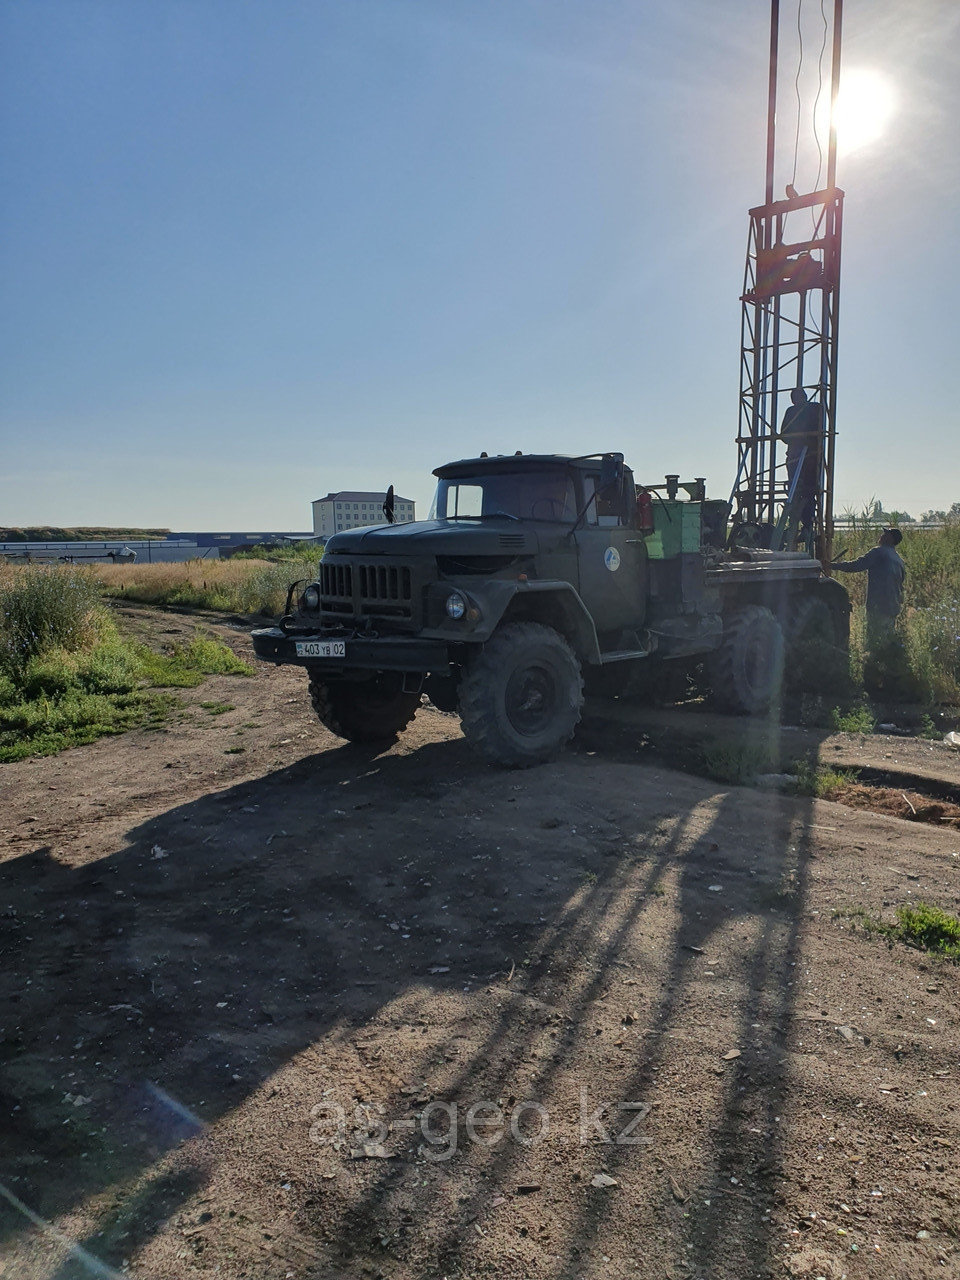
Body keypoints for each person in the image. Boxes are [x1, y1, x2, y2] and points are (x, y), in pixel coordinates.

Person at [832, 528, 907, 631]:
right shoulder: (899, 560)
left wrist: (832, 566)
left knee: (874, 636)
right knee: (888, 637)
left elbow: (856, 565)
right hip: (893, 606)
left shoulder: (878, 552)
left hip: (878, 606)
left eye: (885, 534)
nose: (881, 535)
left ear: (890, 538)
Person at [779, 387, 823, 543]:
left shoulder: (815, 408)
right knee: (796, 490)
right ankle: (796, 524)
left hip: (809, 455)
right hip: (796, 454)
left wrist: (805, 438)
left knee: (808, 490)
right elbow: (783, 434)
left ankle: (807, 524)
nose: (796, 400)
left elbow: (820, 428)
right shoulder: (791, 411)